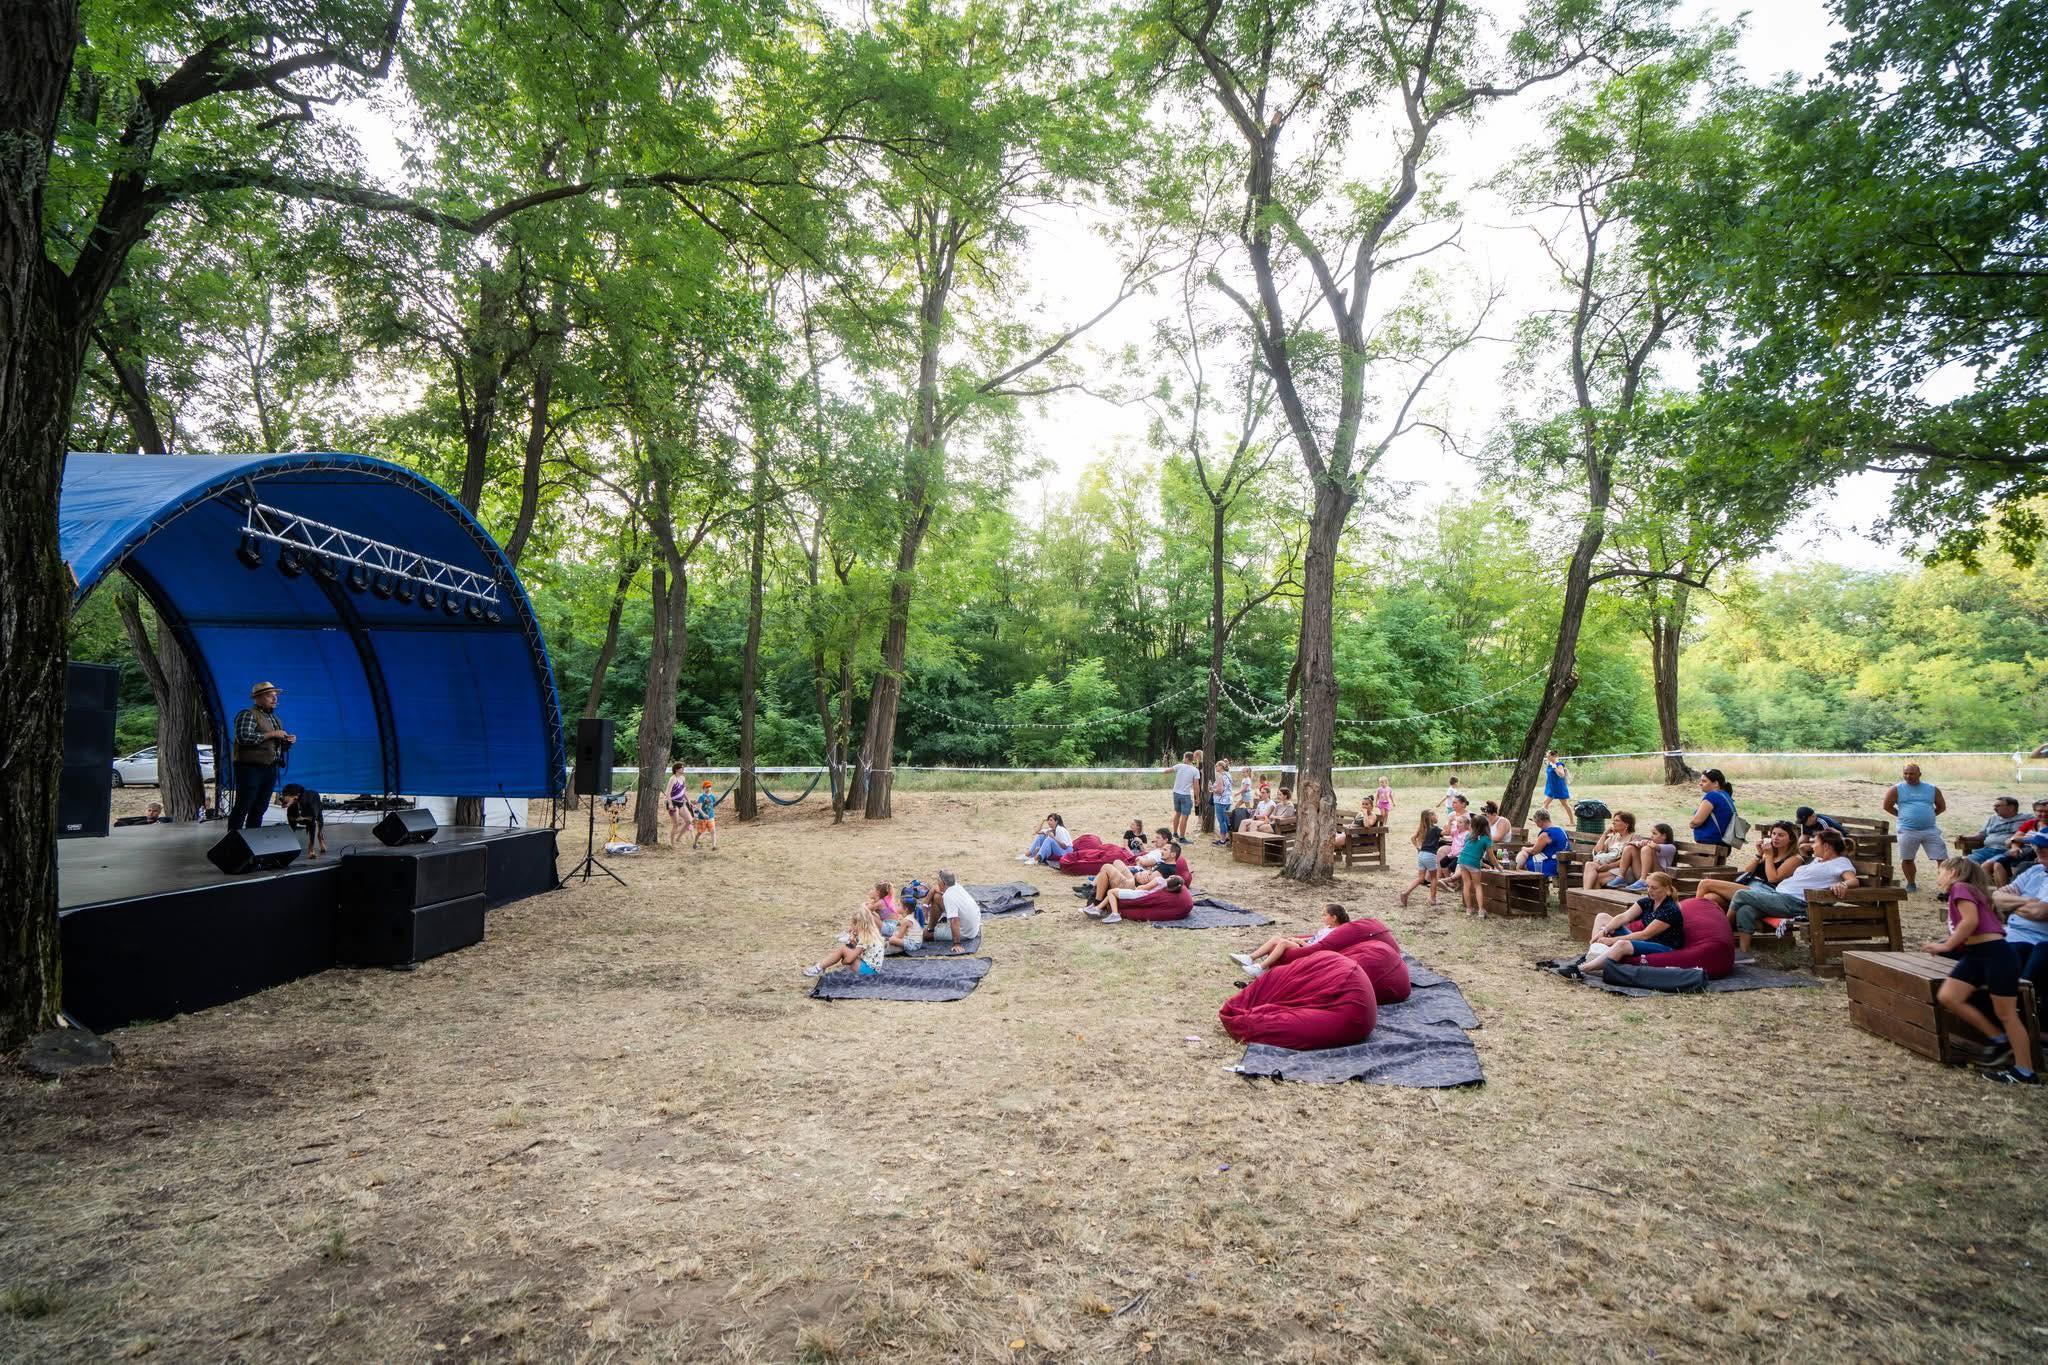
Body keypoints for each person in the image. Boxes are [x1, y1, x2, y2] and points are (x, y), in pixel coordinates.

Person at [1925, 857, 2037, 1084]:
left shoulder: (1960, 887)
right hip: (1976, 955)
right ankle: (1999, 1039)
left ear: (1953, 872)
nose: (1938, 876)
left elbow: (1970, 921)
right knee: (1948, 996)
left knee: (2006, 1014)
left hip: (1997, 955)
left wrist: (1946, 945)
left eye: (1941, 871)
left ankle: (2025, 1072)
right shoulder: (1966, 890)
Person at [1720, 827, 1858, 952]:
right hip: (1780, 897)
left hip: (1796, 903)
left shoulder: (1840, 862)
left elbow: (1853, 880)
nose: (1812, 846)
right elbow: (1804, 852)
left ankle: (1722, 934)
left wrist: (1843, 884)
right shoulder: (1818, 860)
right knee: (1746, 909)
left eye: (1815, 842)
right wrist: (1805, 847)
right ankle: (1743, 952)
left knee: (1741, 895)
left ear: (1826, 846)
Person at [1560, 871, 1685, 977]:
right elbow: (1624, 917)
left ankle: (1582, 969)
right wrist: (1604, 931)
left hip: (1664, 946)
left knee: (1621, 944)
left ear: (1666, 889)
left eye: (1654, 888)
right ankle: (1592, 955)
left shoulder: (1670, 910)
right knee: (1602, 917)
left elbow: (1645, 935)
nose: (1650, 890)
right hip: (1646, 941)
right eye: (1648, 886)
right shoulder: (1648, 902)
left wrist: (1611, 940)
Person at [228, 681, 295, 831]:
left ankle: (252, 839)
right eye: (270, 696)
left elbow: (275, 746)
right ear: (258, 698)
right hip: (250, 768)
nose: (275, 699)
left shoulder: (276, 719)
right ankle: (232, 840)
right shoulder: (247, 714)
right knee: (243, 805)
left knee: (260, 808)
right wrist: (272, 734)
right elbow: (244, 737)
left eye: (275, 696)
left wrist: (287, 742)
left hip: (270, 768)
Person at [1697, 822, 1803, 906]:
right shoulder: (1769, 854)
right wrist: (1759, 854)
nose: (1775, 838)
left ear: (1791, 839)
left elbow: (1773, 879)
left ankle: (1691, 918)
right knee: (1710, 898)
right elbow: (1746, 872)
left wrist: (1768, 856)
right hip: (1750, 887)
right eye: (1774, 834)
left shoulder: (1794, 859)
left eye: (1781, 835)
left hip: (1767, 893)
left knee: (1705, 883)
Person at [1991, 835, 2048, 987]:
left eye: (2044, 846)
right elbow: (1997, 897)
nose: (2038, 849)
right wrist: (2029, 901)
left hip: (2037, 941)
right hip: (2010, 934)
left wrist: (2011, 904)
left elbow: (2039, 912)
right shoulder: (2035, 871)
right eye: (2036, 845)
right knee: (1952, 949)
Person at [1882, 762, 1948, 892]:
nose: (1908, 776)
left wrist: (1929, 816)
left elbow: (1941, 807)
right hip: (1907, 829)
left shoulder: (1932, 789)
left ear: (1919, 774)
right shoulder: (1897, 789)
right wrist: (1902, 816)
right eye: (1905, 773)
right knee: (1907, 858)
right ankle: (1911, 883)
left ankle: (1945, 885)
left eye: (1911, 773)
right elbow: (1887, 806)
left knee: (1942, 858)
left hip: (1930, 829)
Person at [1237, 904, 1350, 974]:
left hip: (1309, 950)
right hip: (1306, 945)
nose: (1322, 917)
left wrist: (1299, 941)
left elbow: (1318, 947)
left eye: (1324, 915)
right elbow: (1314, 937)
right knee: (1276, 938)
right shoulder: (1328, 927)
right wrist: (1299, 939)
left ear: (1334, 917)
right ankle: (1249, 958)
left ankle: (1260, 968)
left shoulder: (1334, 932)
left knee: (1283, 943)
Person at [804, 897, 885, 978]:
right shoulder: (872, 934)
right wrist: (853, 943)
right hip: (873, 970)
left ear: (859, 925)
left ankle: (819, 968)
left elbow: (849, 960)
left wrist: (844, 961)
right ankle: (821, 966)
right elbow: (863, 951)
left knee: (842, 949)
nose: (852, 927)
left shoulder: (865, 937)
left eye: (853, 925)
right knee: (847, 949)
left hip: (868, 972)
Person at [1608, 822, 1677, 892]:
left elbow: (1654, 846)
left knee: (1646, 849)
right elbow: (1633, 844)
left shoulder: (1671, 847)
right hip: (1644, 874)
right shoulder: (1652, 843)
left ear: (1664, 836)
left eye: (1654, 834)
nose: (1651, 836)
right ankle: (1621, 877)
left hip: (1659, 878)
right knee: (1630, 848)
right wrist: (1638, 843)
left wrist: (1645, 843)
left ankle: (1644, 880)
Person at [1397, 809, 1443, 908]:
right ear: (1430, 817)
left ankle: (1406, 893)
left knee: (1421, 879)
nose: (1437, 816)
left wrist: (1418, 848)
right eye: (1435, 815)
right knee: (1434, 878)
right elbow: (1447, 833)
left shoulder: (1422, 828)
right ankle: (1433, 899)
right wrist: (1450, 822)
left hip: (1421, 854)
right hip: (1430, 855)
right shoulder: (1436, 829)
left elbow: (1413, 838)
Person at [1580, 811, 1637, 890]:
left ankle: (1588, 895)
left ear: (1626, 824)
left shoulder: (1634, 837)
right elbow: (1596, 852)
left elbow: (1629, 859)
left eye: (1617, 820)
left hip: (1624, 870)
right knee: (1589, 864)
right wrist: (1605, 834)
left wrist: (1609, 866)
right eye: (1613, 820)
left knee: (1597, 877)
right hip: (1609, 867)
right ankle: (1586, 893)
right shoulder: (1612, 838)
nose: (1613, 823)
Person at [1688, 768, 1737, 853]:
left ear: (1716, 784)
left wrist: (1691, 824)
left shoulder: (1712, 796)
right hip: (1724, 845)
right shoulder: (1726, 795)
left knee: (1677, 857)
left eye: (1704, 781)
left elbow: (1697, 821)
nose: (1700, 784)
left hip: (1711, 847)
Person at [933, 869, 982, 951]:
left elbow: (954, 920)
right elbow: (935, 891)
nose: (937, 884)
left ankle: (930, 930)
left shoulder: (948, 896)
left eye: (938, 881)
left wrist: (957, 944)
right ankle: (931, 928)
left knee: (924, 935)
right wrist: (925, 904)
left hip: (965, 933)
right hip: (973, 928)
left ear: (943, 883)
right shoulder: (957, 886)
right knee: (937, 897)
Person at [1455, 813, 1493, 917]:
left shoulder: (1469, 835)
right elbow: (1492, 857)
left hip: (1462, 860)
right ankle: (1481, 910)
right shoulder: (1486, 839)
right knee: (1477, 885)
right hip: (1473, 863)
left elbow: (1469, 851)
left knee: (1466, 884)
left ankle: (1469, 909)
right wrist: (1498, 867)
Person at [277, 783, 327, 858]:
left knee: (317, 824)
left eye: (287, 794)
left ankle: (313, 848)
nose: (282, 797)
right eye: (283, 794)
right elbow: (291, 829)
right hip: (295, 812)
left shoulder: (310, 805)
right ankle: (289, 848)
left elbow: (312, 826)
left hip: (311, 807)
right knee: (291, 829)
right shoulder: (291, 808)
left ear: (298, 794)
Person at [1516, 809, 1569, 878]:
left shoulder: (1545, 834)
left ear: (1540, 821)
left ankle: (1516, 873)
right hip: (1563, 862)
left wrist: (1524, 848)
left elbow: (1534, 851)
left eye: (1536, 822)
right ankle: (1518, 872)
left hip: (1552, 865)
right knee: (1525, 856)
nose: (1536, 824)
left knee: (1524, 854)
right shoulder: (1560, 829)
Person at [1163, 750, 1201, 841]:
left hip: (1176, 793)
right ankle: (1182, 837)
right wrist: (1197, 798)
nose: (1183, 759)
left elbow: (1166, 771)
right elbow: (1196, 786)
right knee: (1185, 816)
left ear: (1186, 758)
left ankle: (1175, 833)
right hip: (1185, 795)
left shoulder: (1179, 766)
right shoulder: (1195, 770)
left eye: (1184, 758)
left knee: (1177, 813)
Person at [1210, 758, 1235, 846]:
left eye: (1216, 766)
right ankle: (1228, 837)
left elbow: (1220, 791)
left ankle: (1222, 840)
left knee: (1222, 820)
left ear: (1221, 767)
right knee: (1227, 820)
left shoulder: (1220, 776)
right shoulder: (1228, 775)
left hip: (1220, 801)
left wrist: (1212, 789)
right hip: (1228, 800)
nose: (1215, 767)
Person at [1541, 750, 1571, 820]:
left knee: (1565, 804)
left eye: (1549, 756)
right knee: (1545, 803)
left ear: (1554, 756)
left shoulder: (1559, 764)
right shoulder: (1550, 764)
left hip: (1558, 787)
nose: (1547, 758)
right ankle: (1543, 819)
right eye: (1547, 756)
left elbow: (1562, 775)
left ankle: (1572, 821)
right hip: (1551, 787)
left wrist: (1555, 767)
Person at [665, 762, 690, 846]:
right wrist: (670, 804)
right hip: (673, 803)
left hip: (681, 802)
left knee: (689, 821)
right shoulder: (673, 779)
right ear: (676, 769)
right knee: (676, 824)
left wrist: (688, 800)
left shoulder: (683, 778)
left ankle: (678, 838)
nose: (683, 769)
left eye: (683, 768)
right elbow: (667, 793)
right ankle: (672, 844)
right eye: (681, 768)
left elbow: (683, 791)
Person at [691, 779, 719, 851]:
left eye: (710, 787)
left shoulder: (712, 796)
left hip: (711, 817)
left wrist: (712, 813)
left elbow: (712, 805)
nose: (708, 788)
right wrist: (703, 814)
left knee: (713, 831)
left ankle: (714, 846)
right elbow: (699, 808)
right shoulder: (701, 797)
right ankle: (694, 843)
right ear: (704, 788)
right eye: (707, 787)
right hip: (702, 818)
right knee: (700, 832)